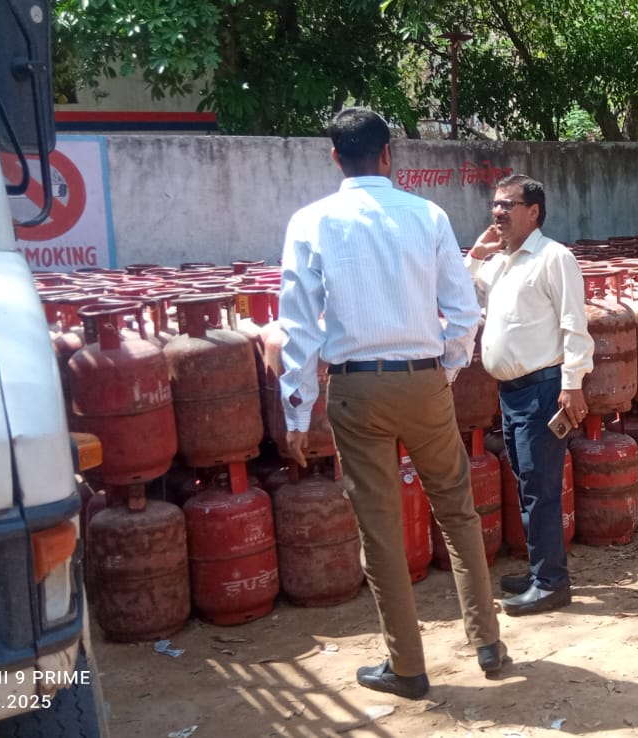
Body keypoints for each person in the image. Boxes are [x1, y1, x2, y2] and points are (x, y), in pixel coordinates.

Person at [277, 107, 506, 699]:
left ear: (335, 158)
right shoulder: (427, 215)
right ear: (387, 155)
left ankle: (407, 668)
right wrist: (444, 371)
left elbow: (297, 327)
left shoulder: (310, 222)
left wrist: (296, 411)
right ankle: (487, 641)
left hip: (356, 389)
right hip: (423, 380)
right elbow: (464, 312)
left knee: (380, 531)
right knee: (457, 511)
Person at [466, 174, 593, 616]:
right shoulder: (500, 263)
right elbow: (464, 292)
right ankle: (541, 570)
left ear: (534, 211)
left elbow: (574, 324)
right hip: (511, 393)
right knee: (527, 486)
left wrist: (573, 383)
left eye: (508, 205)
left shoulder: (553, 258)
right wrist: (477, 254)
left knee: (540, 489)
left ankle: (551, 583)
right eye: (495, 204)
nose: (498, 212)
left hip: (543, 390)